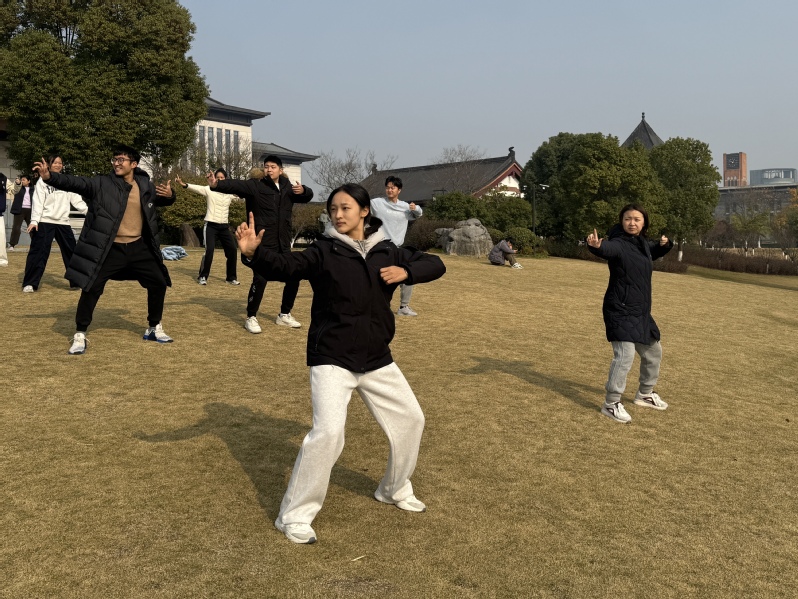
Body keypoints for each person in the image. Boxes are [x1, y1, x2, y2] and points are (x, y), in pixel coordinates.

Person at [235, 183, 446, 544]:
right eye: (333, 209)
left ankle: (393, 489)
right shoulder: (323, 250)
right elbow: (287, 266)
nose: (338, 214)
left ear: (364, 211)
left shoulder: (387, 250)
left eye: (346, 208)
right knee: (329, 433)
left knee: (412, 419)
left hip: (376, 358)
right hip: (332, 357)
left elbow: (435, 263)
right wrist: (255, 254)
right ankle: (293, 516)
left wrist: (406, 273)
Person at [33, 145, 176, 355]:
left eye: (121, 160)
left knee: (159, 283)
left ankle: (154, 327)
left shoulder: (145, 184)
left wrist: (171, 196)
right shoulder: (101, 183)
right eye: (114, 159)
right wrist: (50, 177)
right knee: (91, 287)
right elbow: (75, 182)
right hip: (110, 248)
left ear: (133, 164)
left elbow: (158, 200)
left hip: (139, 247)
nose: (116, 163)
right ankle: (80, 333)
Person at [586, 204, 673, 423]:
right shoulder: (619, 243)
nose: (632, 223)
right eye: (627, 219)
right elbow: (608, 249)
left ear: (644, 223)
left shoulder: (641, 244)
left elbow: (652, 251)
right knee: (625, 355)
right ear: (621, 221)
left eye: (636, 219)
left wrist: (665, 245)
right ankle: (611, 403)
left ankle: (645, 393)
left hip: (640, 311)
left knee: (654, 352)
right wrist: (596, 247)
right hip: (620, 308)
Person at [208, 155, 313, 333]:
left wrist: (304, 190)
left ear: (280, 170)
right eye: (266, 166)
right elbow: (236, 185)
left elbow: (307, 196)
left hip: (283, 243)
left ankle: (284, 314)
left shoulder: (288, 188)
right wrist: (216, 184)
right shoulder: (256, 185)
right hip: (262, 243)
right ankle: (251, 317)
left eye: (273, 167)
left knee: (294, 276)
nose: (269, 169)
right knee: (261, 278)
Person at [21, 155, 88, 292]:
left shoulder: (67, 181)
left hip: (63, 222)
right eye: (55, 162)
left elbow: (77, 201)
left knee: (72, 252)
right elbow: (38, 202)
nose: (58, 165)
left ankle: (76, 282)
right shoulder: (42, 182)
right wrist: (34, 221)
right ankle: (30, 283)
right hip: (45, 221)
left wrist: (90, 213)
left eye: (60, 163)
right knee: (38, 253)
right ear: (49, 164)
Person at [369, 176, 423, 316]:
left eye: (392, 188)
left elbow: (419, 213)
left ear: (399, 190)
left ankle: (404, 307)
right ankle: (373, 305)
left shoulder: (405, 207)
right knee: (379, 277)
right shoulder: (377, 203)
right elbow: (361, 206)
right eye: (387, 187)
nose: (389, 190)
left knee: (407, 273)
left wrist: (415, 208)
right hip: (381, 246)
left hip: (398, 247)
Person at [175, 169, 239, 286]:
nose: (220, 179)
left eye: (222, 178)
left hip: (224, 227)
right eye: (218, 177)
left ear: (225, 179)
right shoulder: (209, 189)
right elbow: (197, 188)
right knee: (209, 250)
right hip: (211, 226)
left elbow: (241, 195)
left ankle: (231, 278)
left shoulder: (229, 193)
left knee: (233, 250)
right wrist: (183, 184)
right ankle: (203, 276)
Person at [8, 174, 33, 251]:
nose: (22, 181)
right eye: (21, 180)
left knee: (32, 228)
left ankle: (35, 244)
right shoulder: (19, 188)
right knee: (16, 228)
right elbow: (15, 189)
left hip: (30, 210)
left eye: (24, 180)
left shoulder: (33, 189)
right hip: (19, 210)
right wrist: (17, 183)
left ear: (29, 181)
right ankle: (12, 245)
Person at [0, 172, 7, 266]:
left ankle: (2, 260)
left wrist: (17, 184)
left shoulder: (3, 178)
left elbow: (13, 190)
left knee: (1, 239)